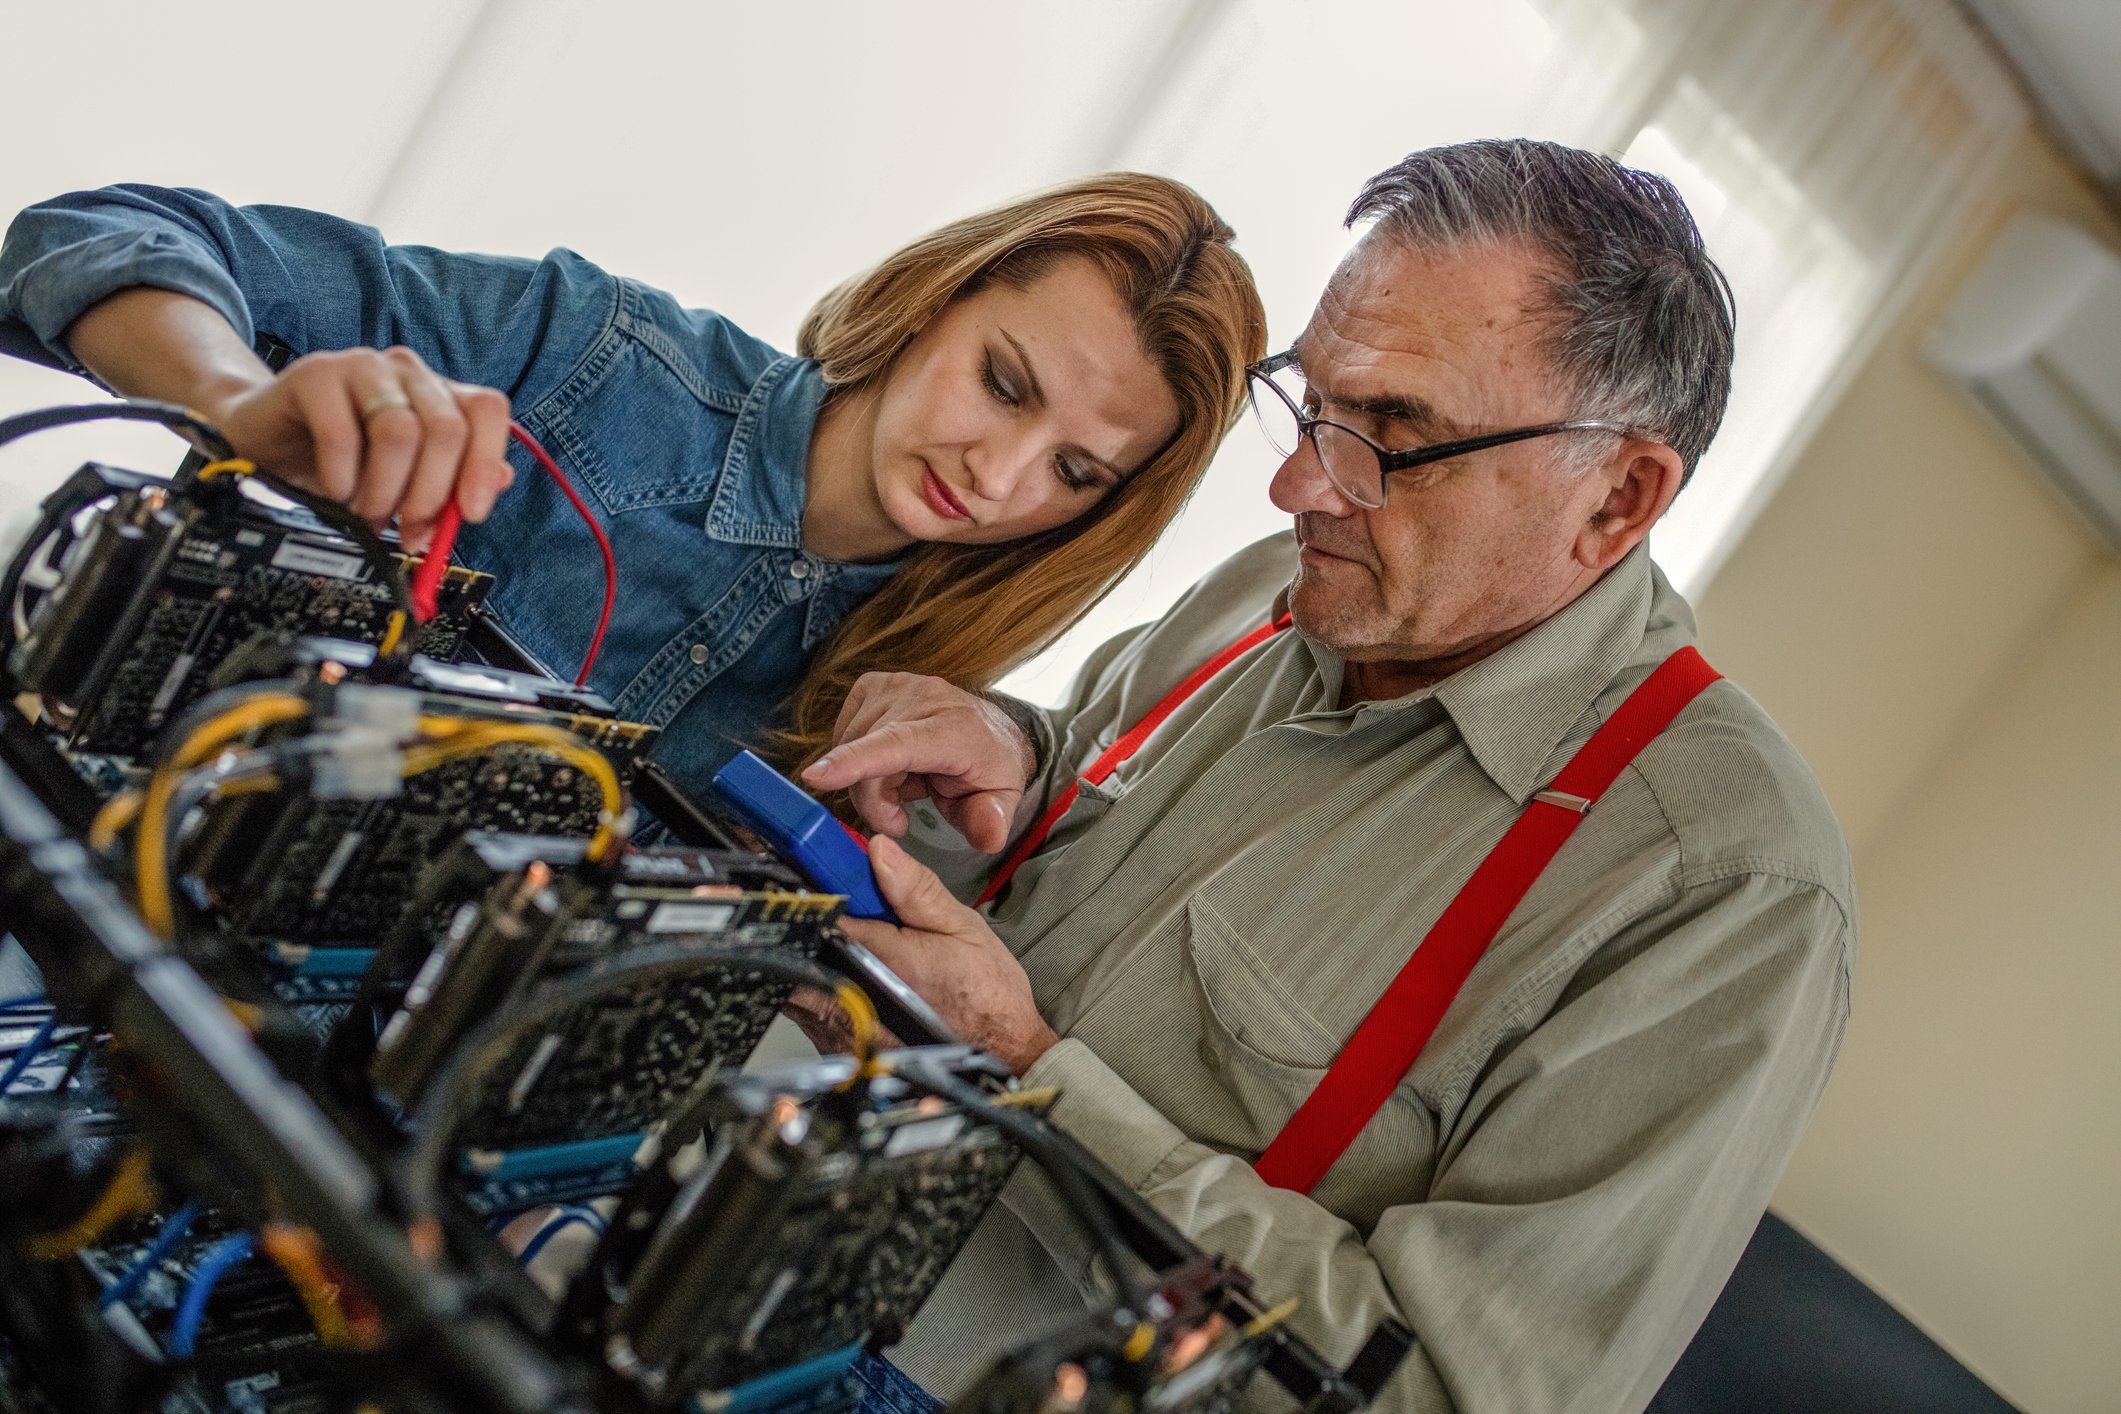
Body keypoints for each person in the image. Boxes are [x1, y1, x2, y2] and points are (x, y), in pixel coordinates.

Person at [798, 140, 1856, 1414]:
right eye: (1313, 403)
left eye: (1392, 440)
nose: (1298, 483)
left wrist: (1021, 1075)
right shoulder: (1288, 584)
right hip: (765, 1237)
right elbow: (1104, 798)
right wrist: (1016, 752)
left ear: (1617, 499)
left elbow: (1446, 1394)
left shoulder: (1727, 886)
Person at [0, 175, 1266, 794]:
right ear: (938, 299)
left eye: (1076, 471)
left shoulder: (904, 724)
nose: (997, 480)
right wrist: (235, 402)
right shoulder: (591, 354)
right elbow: (100, 235)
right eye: (1001, 382)